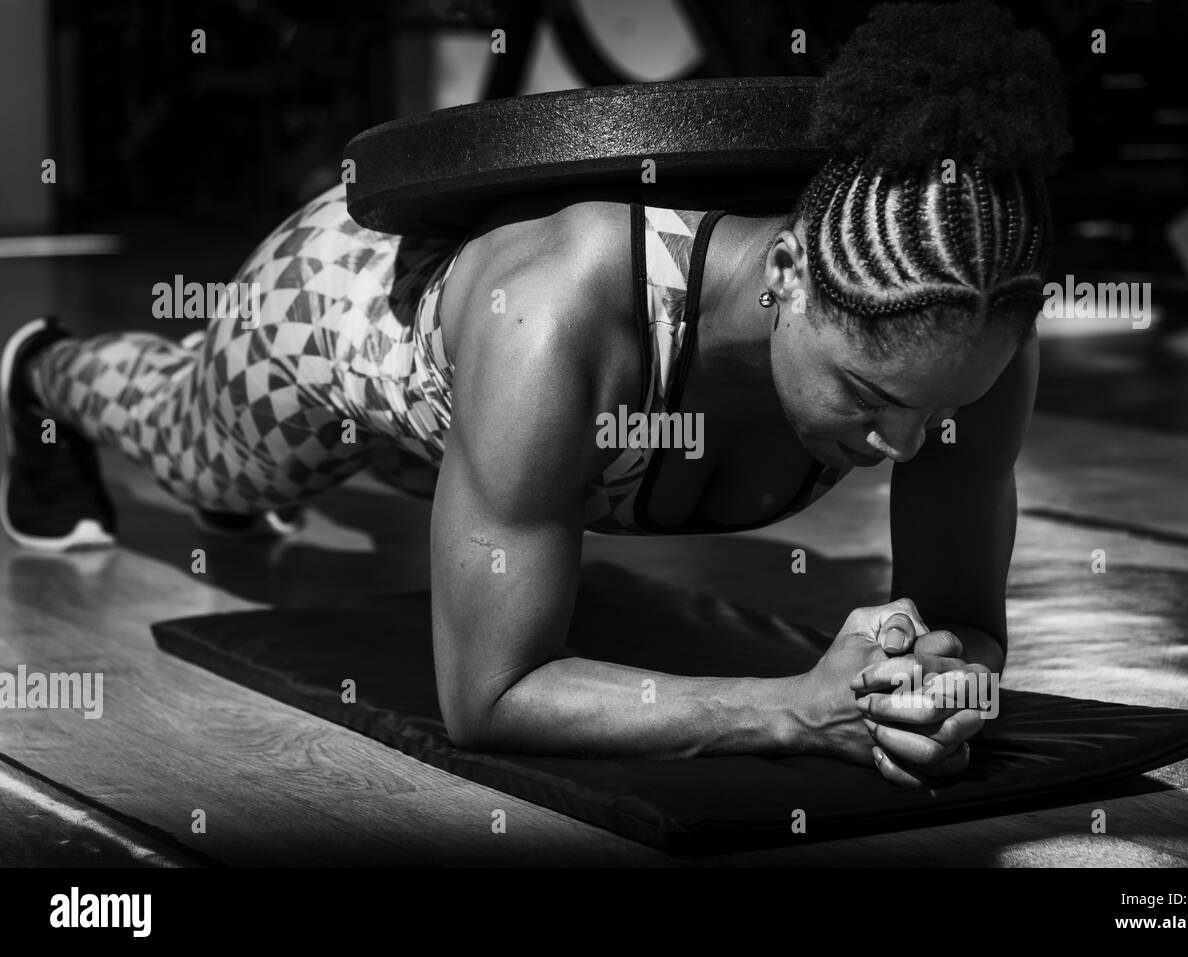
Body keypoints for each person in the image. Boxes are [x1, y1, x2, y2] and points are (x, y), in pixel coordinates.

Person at [1, 1, 1070, 786]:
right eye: (863, 394)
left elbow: (966, 621)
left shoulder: (971, 343)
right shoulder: (559, 314)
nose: (896, 444)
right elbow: (490, 696)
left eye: (927, 413)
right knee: (198, 451)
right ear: (787, 275)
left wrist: (935, 679)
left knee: (485, 473)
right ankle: (41, 370)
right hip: (344, 311)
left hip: (502, 431)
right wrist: (791, 710)